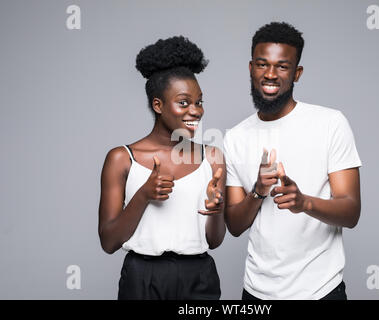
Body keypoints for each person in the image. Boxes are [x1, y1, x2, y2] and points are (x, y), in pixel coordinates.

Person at [223, 22, 362, 300]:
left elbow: (351, 211)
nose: (270, 75)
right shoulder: (235, 137)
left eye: (282, 67)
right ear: (251, 68)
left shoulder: (330, 123)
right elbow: (235, 226)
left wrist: (304, 202)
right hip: (256, 292)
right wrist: (258, 192)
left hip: (319, 291)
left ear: (296, 73)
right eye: (262, 65)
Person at [98, 36, 226, 300]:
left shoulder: (212, 157)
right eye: (184, 102)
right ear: (158, 105)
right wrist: (143, 195)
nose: (196, 111)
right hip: (142, 277)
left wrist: (216, 210)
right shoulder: (122, 158)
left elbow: (214, 241)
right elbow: (109, 242)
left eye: (199, 102)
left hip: (199, 276)